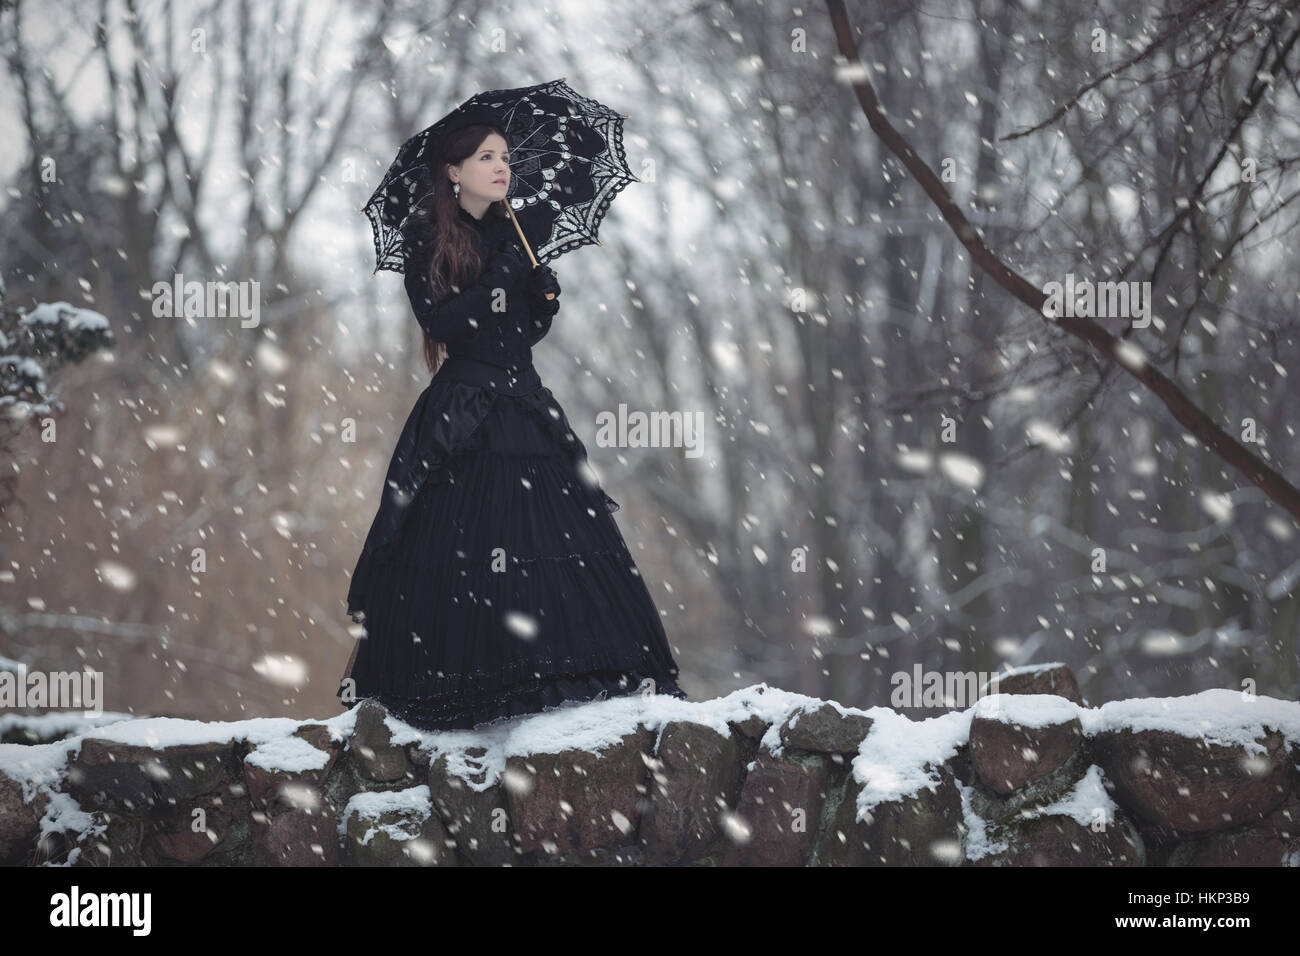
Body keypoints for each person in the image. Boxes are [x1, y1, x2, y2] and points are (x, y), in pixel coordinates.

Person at [338, 121, 688, 731]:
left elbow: (517, 335)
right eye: (486, 157)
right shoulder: (428, 234)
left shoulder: (515, 230)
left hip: (524, 402)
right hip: (465, 411)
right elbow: (441, 324)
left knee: (550, 535)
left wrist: (542, 301)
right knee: (470, 540)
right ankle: (473, 690)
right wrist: (501, 278)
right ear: (454, 171)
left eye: (504, 157)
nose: (502, 167)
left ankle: (554, 677)